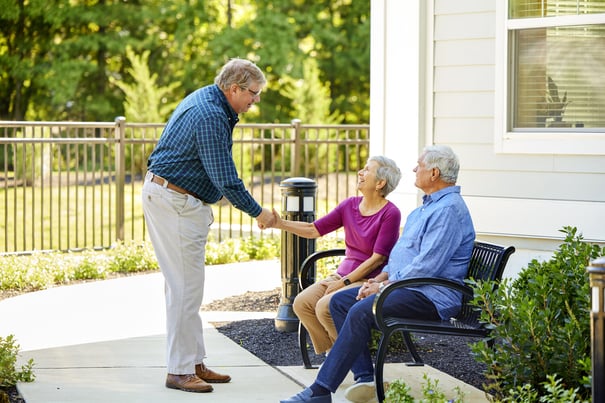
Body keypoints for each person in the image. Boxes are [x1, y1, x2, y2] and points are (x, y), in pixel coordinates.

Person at [280, 145, 476, 403]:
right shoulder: (425, 209)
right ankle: (363, 375)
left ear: (434, 173)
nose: (415, 169)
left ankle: (320, 391)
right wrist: (379, 279)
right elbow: (400, 257)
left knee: (362, 311)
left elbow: (428, 265)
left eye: (420, 165)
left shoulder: (448, 210)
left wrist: (383, 288)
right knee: (339, 302)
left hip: (430, 295)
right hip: (409, 287)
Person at [141, 58, 275, 394]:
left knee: (186, 287)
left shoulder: (210, 99)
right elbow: (225, 179)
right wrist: (258, 212)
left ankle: (193, 361)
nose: (255, 100)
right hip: (175, 203)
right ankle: (180, 370)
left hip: (173, 198)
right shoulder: (212, 115)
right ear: (234, 88)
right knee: (185, 289)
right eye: (253, 93)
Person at [271, 156, 402, 354]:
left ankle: (347, 356)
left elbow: (378, 258)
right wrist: (280, 223)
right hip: (341, 276)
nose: (360, 172)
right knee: (302, 302)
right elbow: (313, 229)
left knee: (325, 306)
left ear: (380, 183)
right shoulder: (349, 205)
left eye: (367, 170)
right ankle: (335, 352)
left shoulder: (390, 213)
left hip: (367, 280)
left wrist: (344, 283)